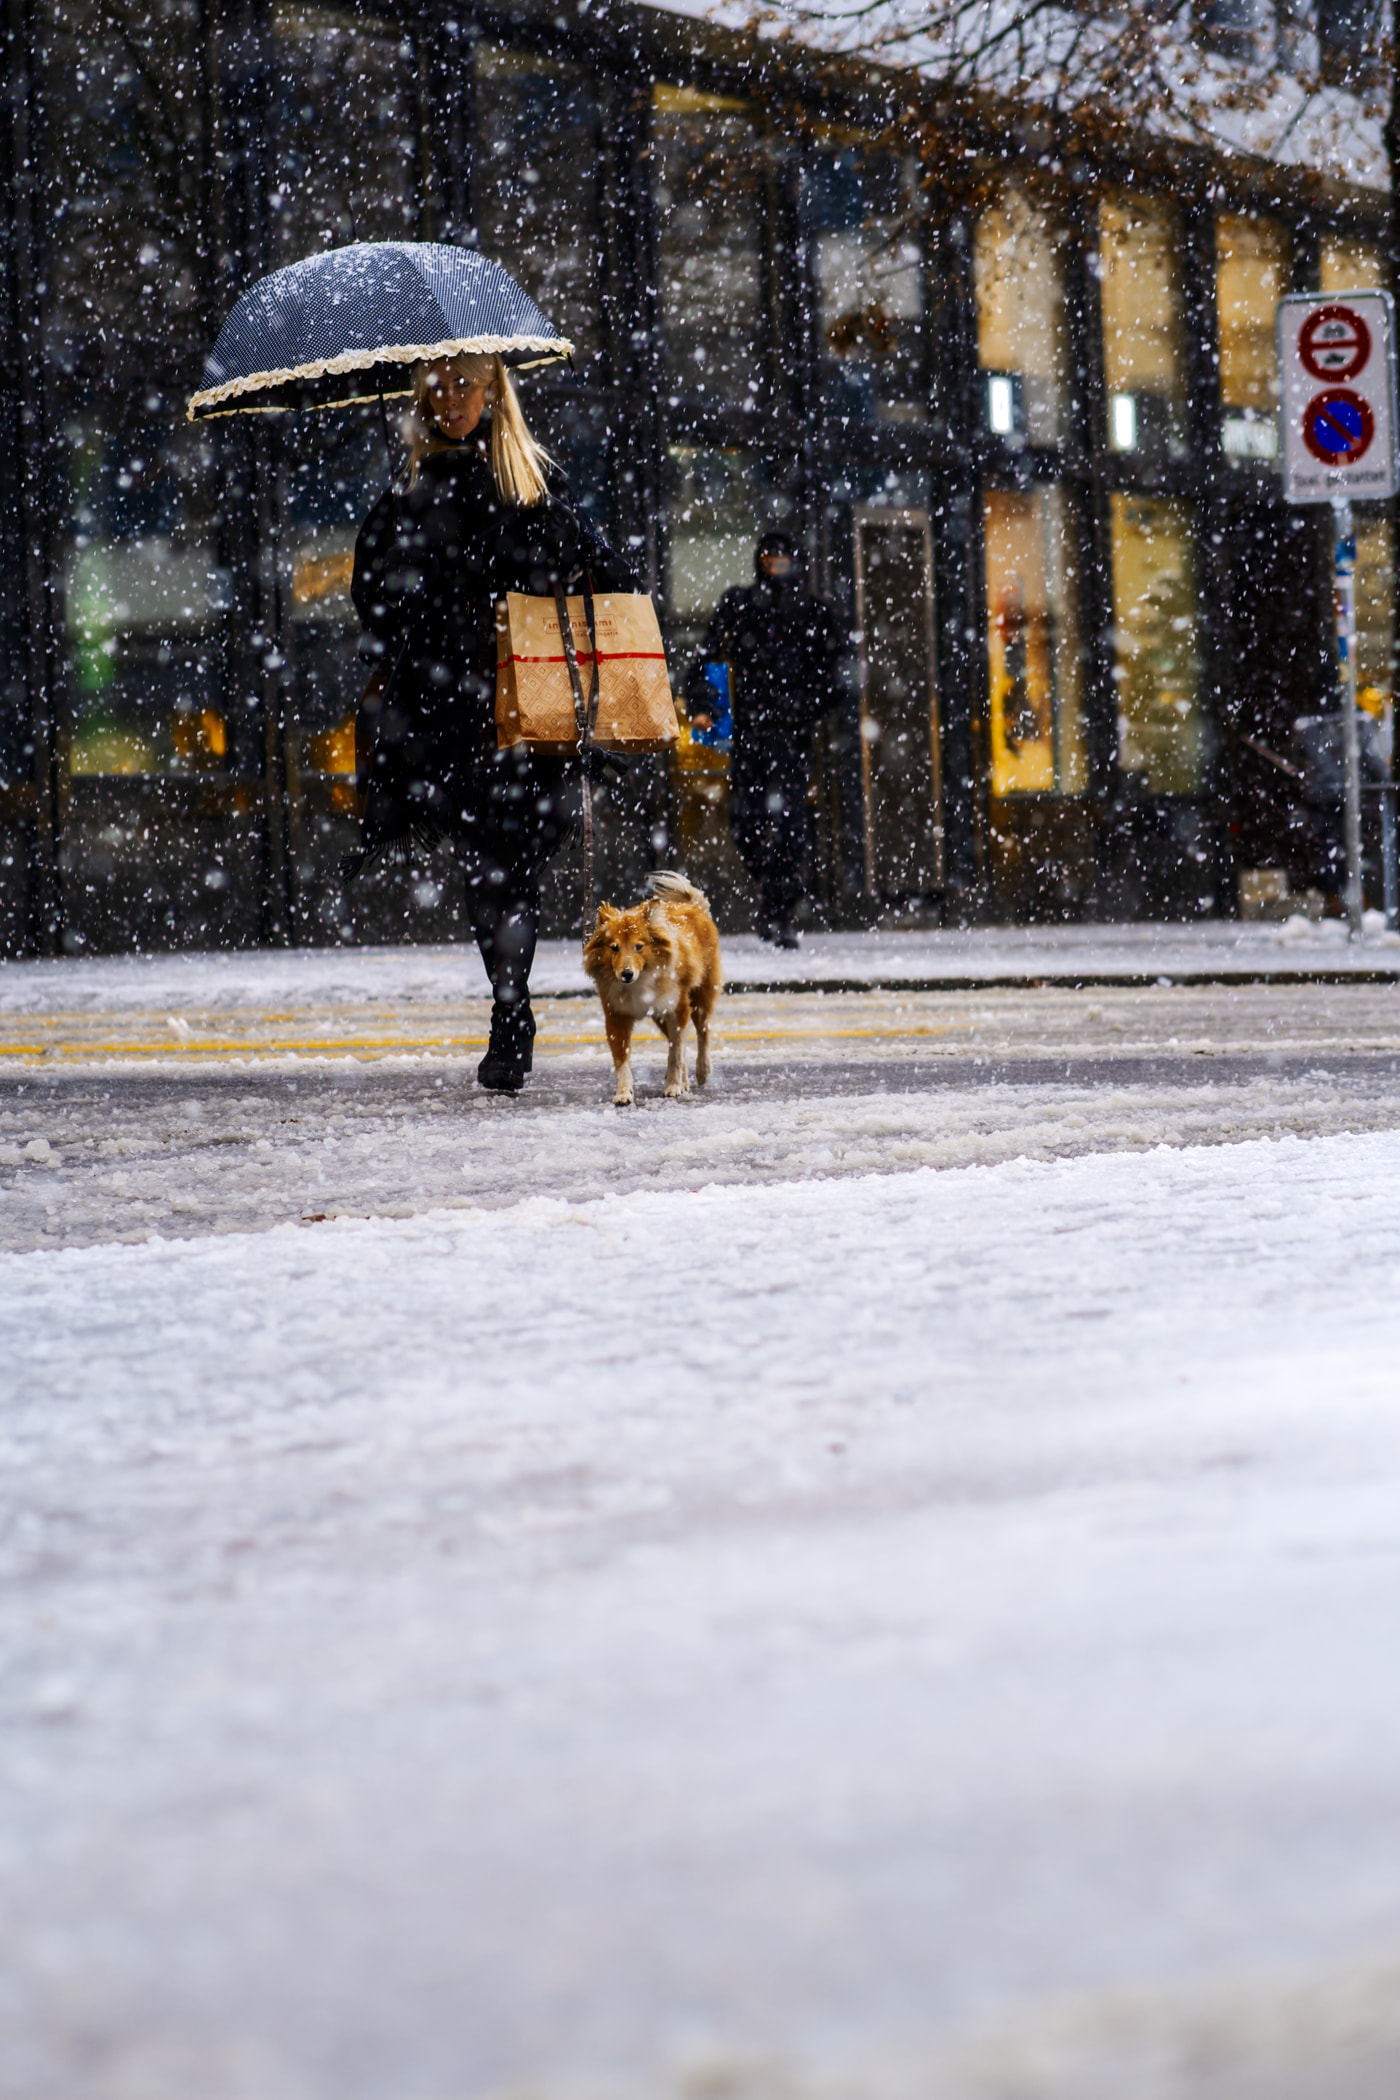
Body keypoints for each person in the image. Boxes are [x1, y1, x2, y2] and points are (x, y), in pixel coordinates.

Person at [351, 352, 635, 1091]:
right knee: (489, 871)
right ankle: (511, 1009)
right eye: (436, 388)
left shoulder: (534, 483)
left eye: (464, 386)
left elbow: (611, 573)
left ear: (492, 391)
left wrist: (553, 556)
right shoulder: (408, 491)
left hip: (528, 711)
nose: (449, 401)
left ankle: (512, 1003)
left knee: (515, 868)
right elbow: (373, 603)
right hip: (456, 716)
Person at [687, 529, 847, 946]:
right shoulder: (741, 605)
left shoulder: (813, 612)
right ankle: (777, 898)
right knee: (746, 824)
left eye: (783, 560)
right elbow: (706, 655)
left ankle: (780, 911)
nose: (776, 567)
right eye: (769, 560)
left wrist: (802, 705)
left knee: (790, 825)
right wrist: (702, 704)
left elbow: (838, 676)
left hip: (791, 738)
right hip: (752, 735)